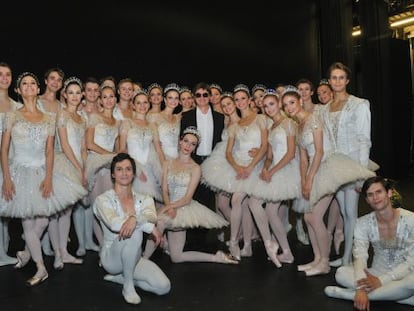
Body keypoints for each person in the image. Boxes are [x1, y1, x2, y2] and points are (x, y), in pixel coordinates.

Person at [0, 72, 85, 286]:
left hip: (43, 172)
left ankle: (27, 252)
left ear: (38, 89)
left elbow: (49, 151)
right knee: (28, 224)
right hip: (19, 173)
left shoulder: (49, 118)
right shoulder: (12, 115)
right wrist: (7, 179)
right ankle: (40, 267)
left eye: (32, 84)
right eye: (24, 84)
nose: (28, 87)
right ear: (18, 90)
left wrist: (48, 178)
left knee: (45, 219)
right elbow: (4, 149)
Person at [281, 85, 374, 276]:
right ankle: (317, 259)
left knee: (314, 217)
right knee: (308, 217)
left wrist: (310, 180)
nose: (289, 107)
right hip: (314, 171)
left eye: (292, 102)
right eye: (286, 105)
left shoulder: (313, 119)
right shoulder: (297, 126)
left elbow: (319, 152)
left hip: (328, 169)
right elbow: (304, 158)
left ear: (300, 101)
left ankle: (324, 262)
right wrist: (303, 180)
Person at [142, 127, 237, 265]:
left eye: (192, 144)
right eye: (186, 141)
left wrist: (169, 207)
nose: (188, 146)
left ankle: (143, 259)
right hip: (170, 205)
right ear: (180, 142)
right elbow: (164, 189)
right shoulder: (168, 163)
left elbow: (187, 198)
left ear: (195, 148)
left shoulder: (195, 168)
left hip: (184, 208)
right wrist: (168, 207)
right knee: (176, 256)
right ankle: (146, 257)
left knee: (162, 225)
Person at [325, 176, 414, 309]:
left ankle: (349, 295)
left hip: (405, 273)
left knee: (412, 282)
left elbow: (411, 262)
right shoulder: (362, 223)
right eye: (370, 195)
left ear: (389, 193)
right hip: (375, 273)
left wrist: (381, 281)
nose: (375, 197)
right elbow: (360, 256)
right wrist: (362, 288)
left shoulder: (410, 220)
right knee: (341, 273)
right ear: (367, 200)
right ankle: (399, 296)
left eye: (379, 192)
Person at [93, 153, 170, 305]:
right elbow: (115, 224)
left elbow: (151, 216)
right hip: (111, 258)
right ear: (113, 174)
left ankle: (123, 278)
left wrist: (135, 219)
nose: (124, 173)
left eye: (128, 169)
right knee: (133, 232)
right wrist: (148, 227)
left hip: (134, 257)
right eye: (119, 169)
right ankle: (128, 286)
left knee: (163, 287)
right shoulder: (103, 200)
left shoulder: (145, 199)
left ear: (133, 174)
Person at [322, 62, 373, 267]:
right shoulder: (325, 108)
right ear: (329, 81)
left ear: (348, 80)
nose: (337, 81)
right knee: (344, 212)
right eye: (334, 77)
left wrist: (361, 173)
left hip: (352, 165)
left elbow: (364, 139)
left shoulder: (359, 104)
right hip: (335, 167)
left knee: (351, 213)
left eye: (341, 77)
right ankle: (347, 255)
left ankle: (348, 257)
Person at [254, 90, 301, 264]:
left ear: (279, 104)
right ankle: (271, 242)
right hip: (274, 168)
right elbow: (269, 155)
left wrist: (272, 172)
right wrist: (266, 168)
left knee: (271, 210)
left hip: (287, 169)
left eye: (271, 104)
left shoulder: (289, 123)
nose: (268, 108)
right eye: (265, 106)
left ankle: (285, 251)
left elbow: (290, 154)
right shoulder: (271, 127)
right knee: (254, 202)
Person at [48, 77, 88, 269]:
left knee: (68, 212)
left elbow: (82, 147)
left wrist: (84, 167)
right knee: (57, 211)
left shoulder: (83, 117)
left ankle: (65, 251)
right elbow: (64, 145)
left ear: (82, 96)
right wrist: (77, 167)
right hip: (63, 163)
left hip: (78, 164)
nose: (74, 96)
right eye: (70, 92)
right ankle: (57, 254)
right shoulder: (61, 115)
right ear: (64, 94)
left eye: (77, 93)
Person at [84, 85, 121, 253]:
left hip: (109, 165)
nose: (108, 100)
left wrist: (115, 157)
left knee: (109, 206)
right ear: (100, 100)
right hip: (96, 163)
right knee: (96, 207)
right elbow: (89, 143)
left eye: (111, 96)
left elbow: (119, 148)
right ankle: (103, 247)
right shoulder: (94, 118)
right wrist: (110, 156)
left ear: (115, 99)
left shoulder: (117, 122)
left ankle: (109, 244)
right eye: (104, 97)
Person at [180, 82, 225, 209]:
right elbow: (182, 140)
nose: (202, 97)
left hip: (212, 161)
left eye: (205, 94)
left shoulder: (220, 118)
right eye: (198, 95)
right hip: (193, 161)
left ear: (210, 97)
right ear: (194, 97)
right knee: (193, 198)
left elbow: (221, 141)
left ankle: (206, 229)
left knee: (209, 201)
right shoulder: (187, 117)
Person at [118, 90, 163, 203]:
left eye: (145, 102)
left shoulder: (152, 126)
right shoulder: (127, 123)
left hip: (150, 171)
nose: (142, 106)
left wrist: (165, 171)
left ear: (148, 104)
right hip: (132, 170)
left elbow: (158, 150)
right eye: (138, 103)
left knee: (148, 207)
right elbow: (122, 150)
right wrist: (135, 170)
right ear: (133, 105)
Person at [0, 62, 20, 266]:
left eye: (8, 74)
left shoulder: (15, 106)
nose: (4, 78)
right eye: (0, 74)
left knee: (5, 206)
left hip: (11, 159)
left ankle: (4, 248)